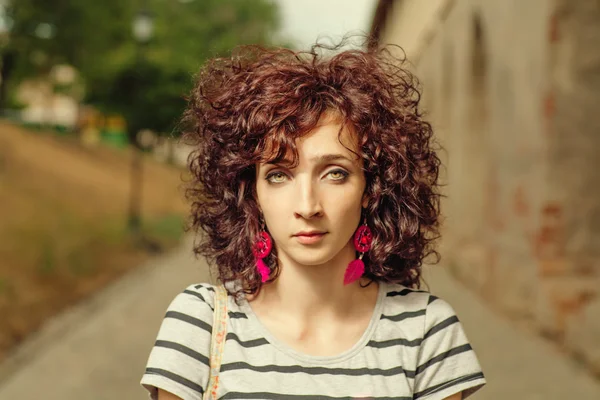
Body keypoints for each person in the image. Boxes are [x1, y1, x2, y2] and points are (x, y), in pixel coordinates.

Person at [140, 39, 486, 400]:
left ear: (372, 187)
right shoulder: (203, 323)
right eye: (278, 175)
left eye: (334, 173)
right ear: (253, 192)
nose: (307, 206)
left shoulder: (427, 331)